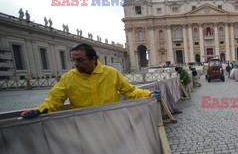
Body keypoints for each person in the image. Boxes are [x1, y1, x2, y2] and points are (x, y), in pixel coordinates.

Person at [21, 43, 161, 118]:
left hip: (114, 123)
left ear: (93, 59)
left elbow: (130, 91)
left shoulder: (111, 73)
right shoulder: (68, 78)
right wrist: (40, 110)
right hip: (84, 127)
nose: (76, 63)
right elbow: (54, 100)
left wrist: (147, 94)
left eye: (80, 60)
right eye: (74, 60)